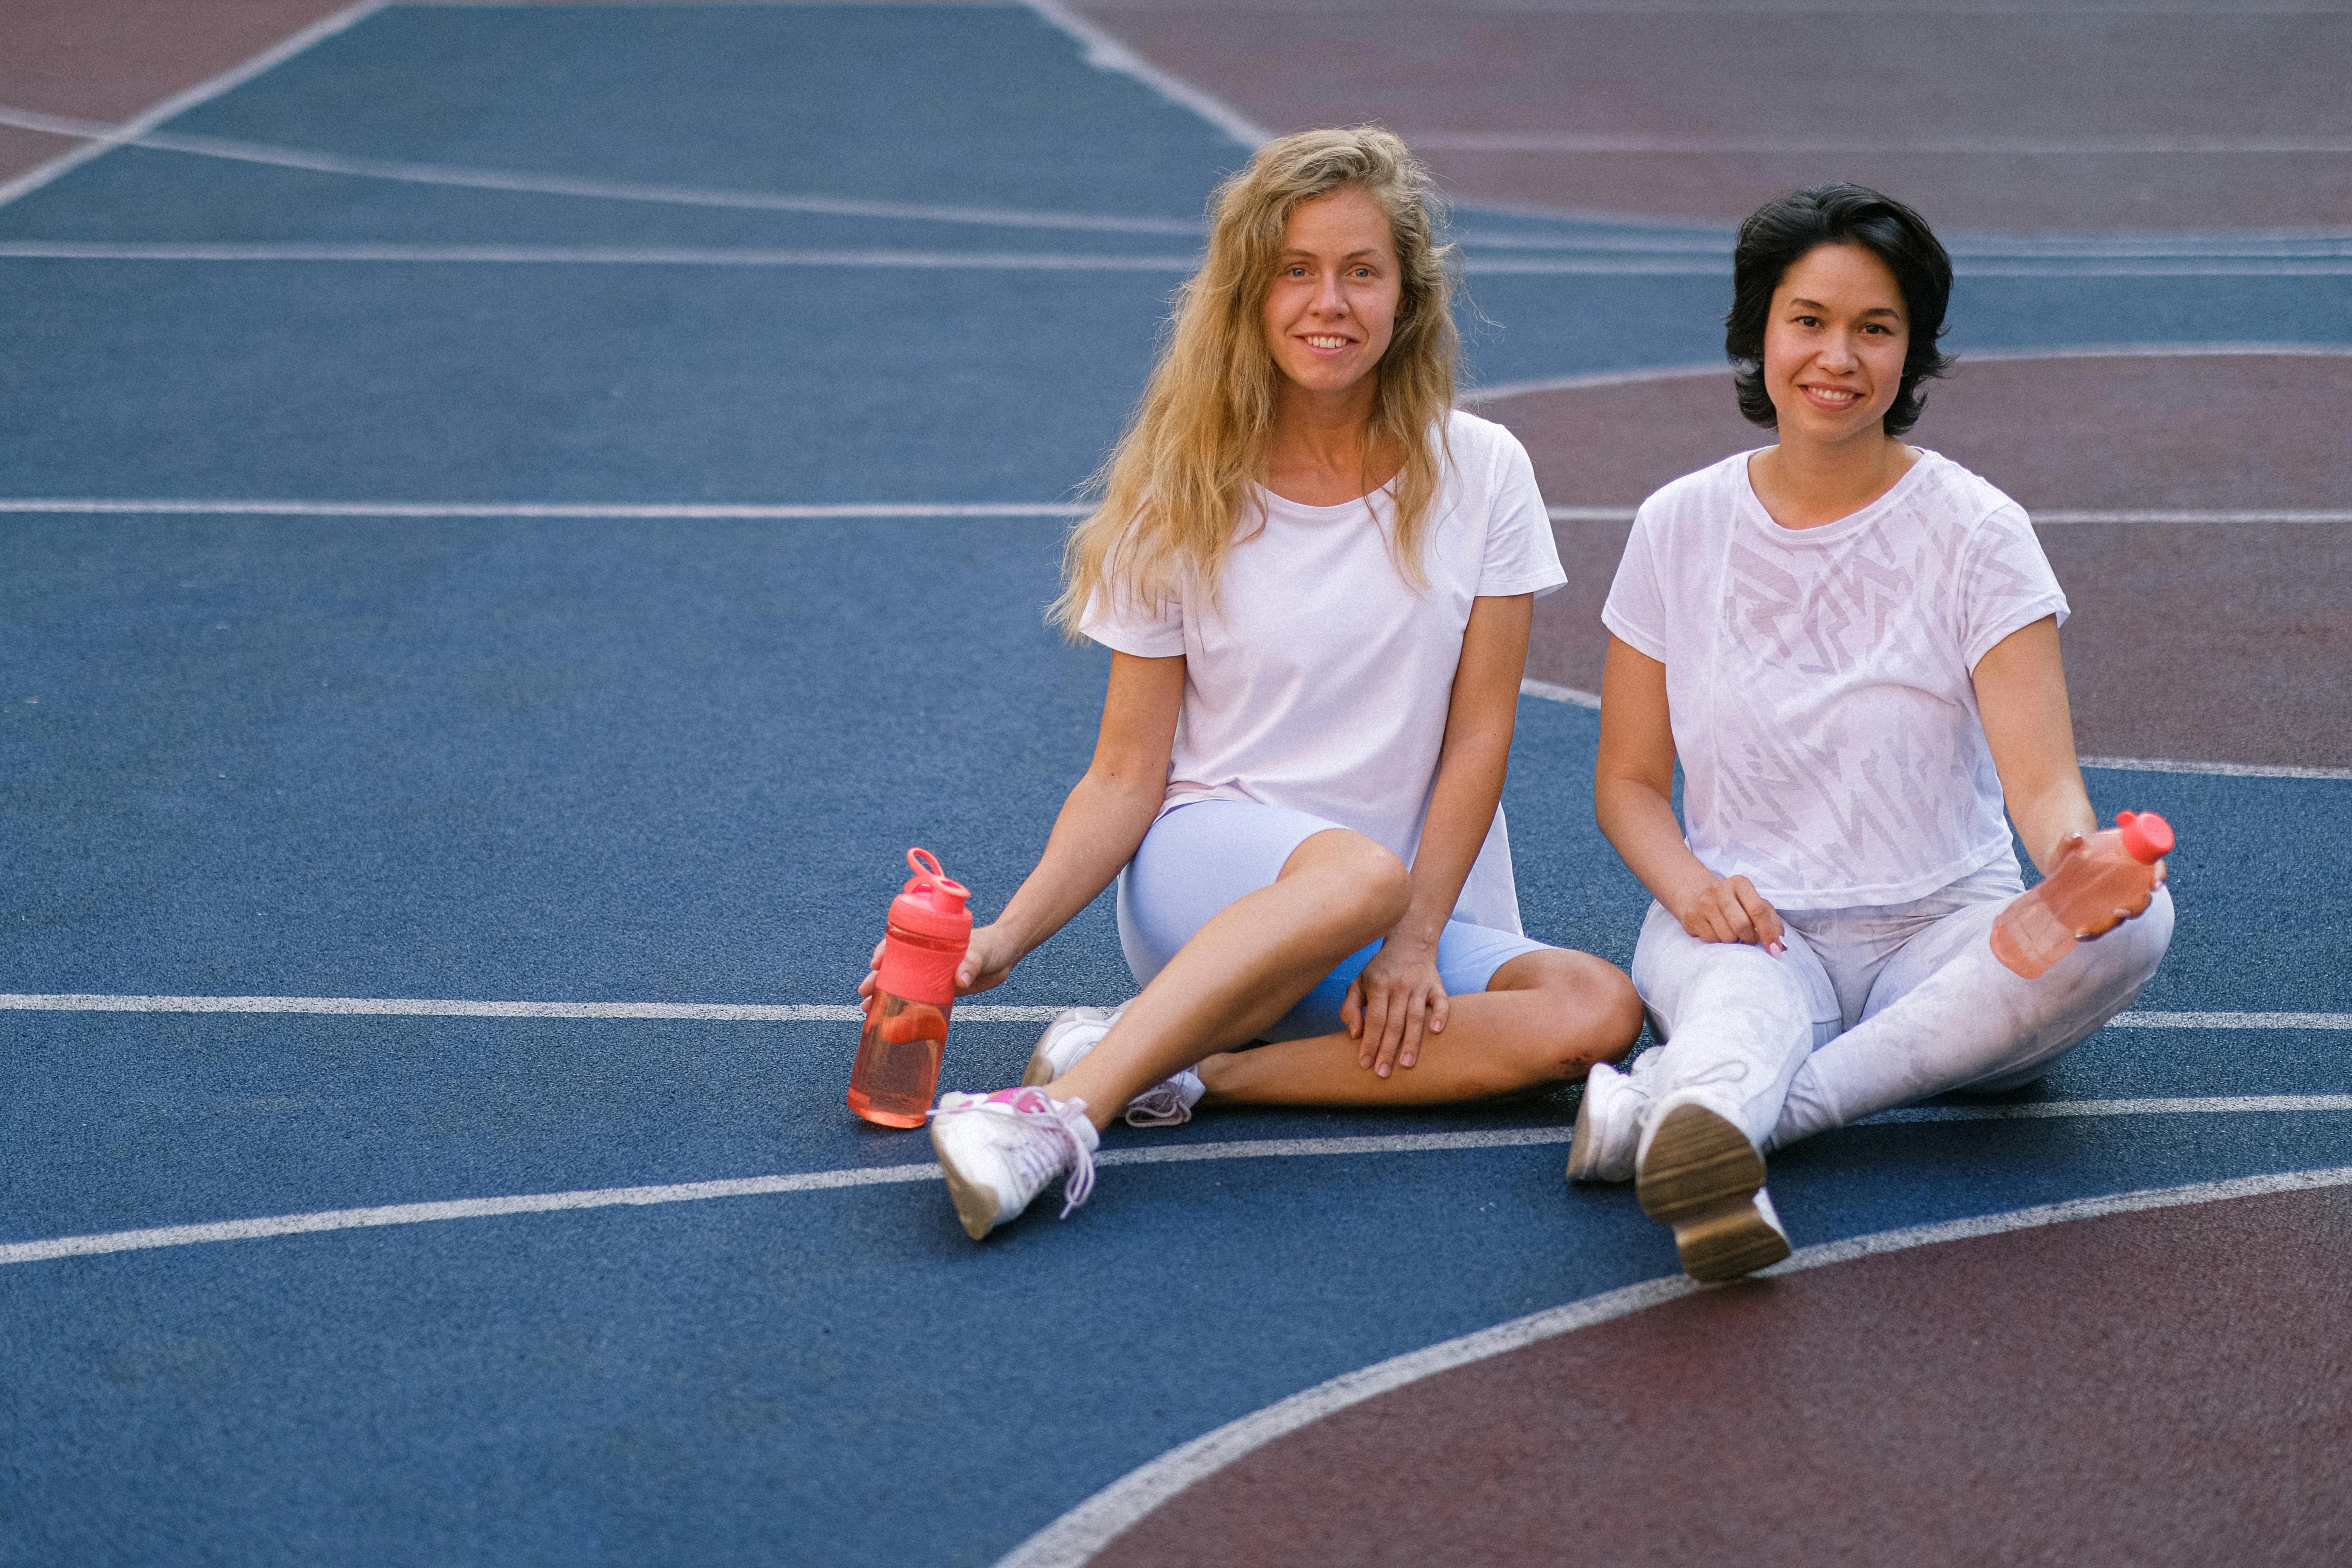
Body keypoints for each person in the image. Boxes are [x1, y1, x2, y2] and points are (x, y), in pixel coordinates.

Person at [876, 127, 1644, 1242]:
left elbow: (1480, 737)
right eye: (1294, 271)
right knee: (1353, 874)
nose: (1326, 302)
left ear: (1406, 298)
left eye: (1359, 271)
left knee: (1593, 1009)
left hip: (1400, 900)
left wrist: (1421, 937)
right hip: (1211, 871)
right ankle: (1057, 1117)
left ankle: (1197, 1071)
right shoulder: (1178, 494)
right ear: (1247, 296)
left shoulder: (1485, 470)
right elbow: (1124, 773)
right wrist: (1004, 936)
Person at [1573, 183, 2173, 1283]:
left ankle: (1709, 1119)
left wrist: (2076, 863)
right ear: (1759, 331)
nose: (1835, 357)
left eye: (1874, 328)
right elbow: (1627, 782)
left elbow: (2041, 782)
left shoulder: (1977, 530)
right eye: (1807, 320)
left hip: (1947, 932)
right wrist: (1692, 886)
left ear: (1913, 353)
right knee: (1739, 1002)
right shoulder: (1677, 525)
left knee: (2138, 928)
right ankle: (1708, 1130)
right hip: (1750, 917)